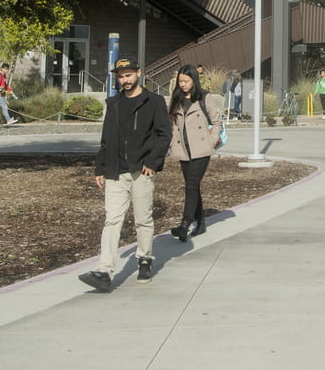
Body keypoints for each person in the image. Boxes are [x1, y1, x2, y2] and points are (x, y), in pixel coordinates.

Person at [79, 58, 172, 292]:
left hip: (142, 170)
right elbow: (106, 139)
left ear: (138, 73)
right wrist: (100, 167)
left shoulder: (154, 101)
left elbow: (164, 135)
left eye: (129, 75)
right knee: (112, 220)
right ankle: (104, 271)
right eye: (121, 76)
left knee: (143, 218)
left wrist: (153, 161)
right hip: (115, 171)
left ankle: (144, 259)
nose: (125, 80)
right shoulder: (114, 103)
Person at [166, 64, 222, 242]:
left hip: (201, 151)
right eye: (180, 81)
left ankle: (184, 224)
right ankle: (200, 221)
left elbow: (217, 121)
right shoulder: (176, 99)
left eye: (186, 81)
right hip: (183, 150)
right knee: (193, 186)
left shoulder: (204, 98)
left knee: (190, 186)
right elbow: (170, 124)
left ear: (194, 81)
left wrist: (211, 142)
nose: (182, 84)